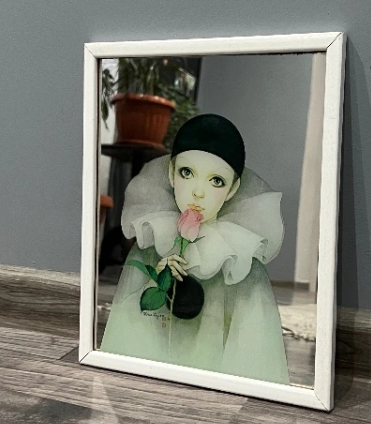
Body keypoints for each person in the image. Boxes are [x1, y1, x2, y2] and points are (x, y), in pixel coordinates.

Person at [100, 114, 290, 384]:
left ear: (233, 188)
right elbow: (127, 332)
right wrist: (157, 283)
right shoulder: (154, 242)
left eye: (216, 181)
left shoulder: (238, 257)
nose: (198, 192)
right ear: (171, 173)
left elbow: (252, 349)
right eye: (187, 173)